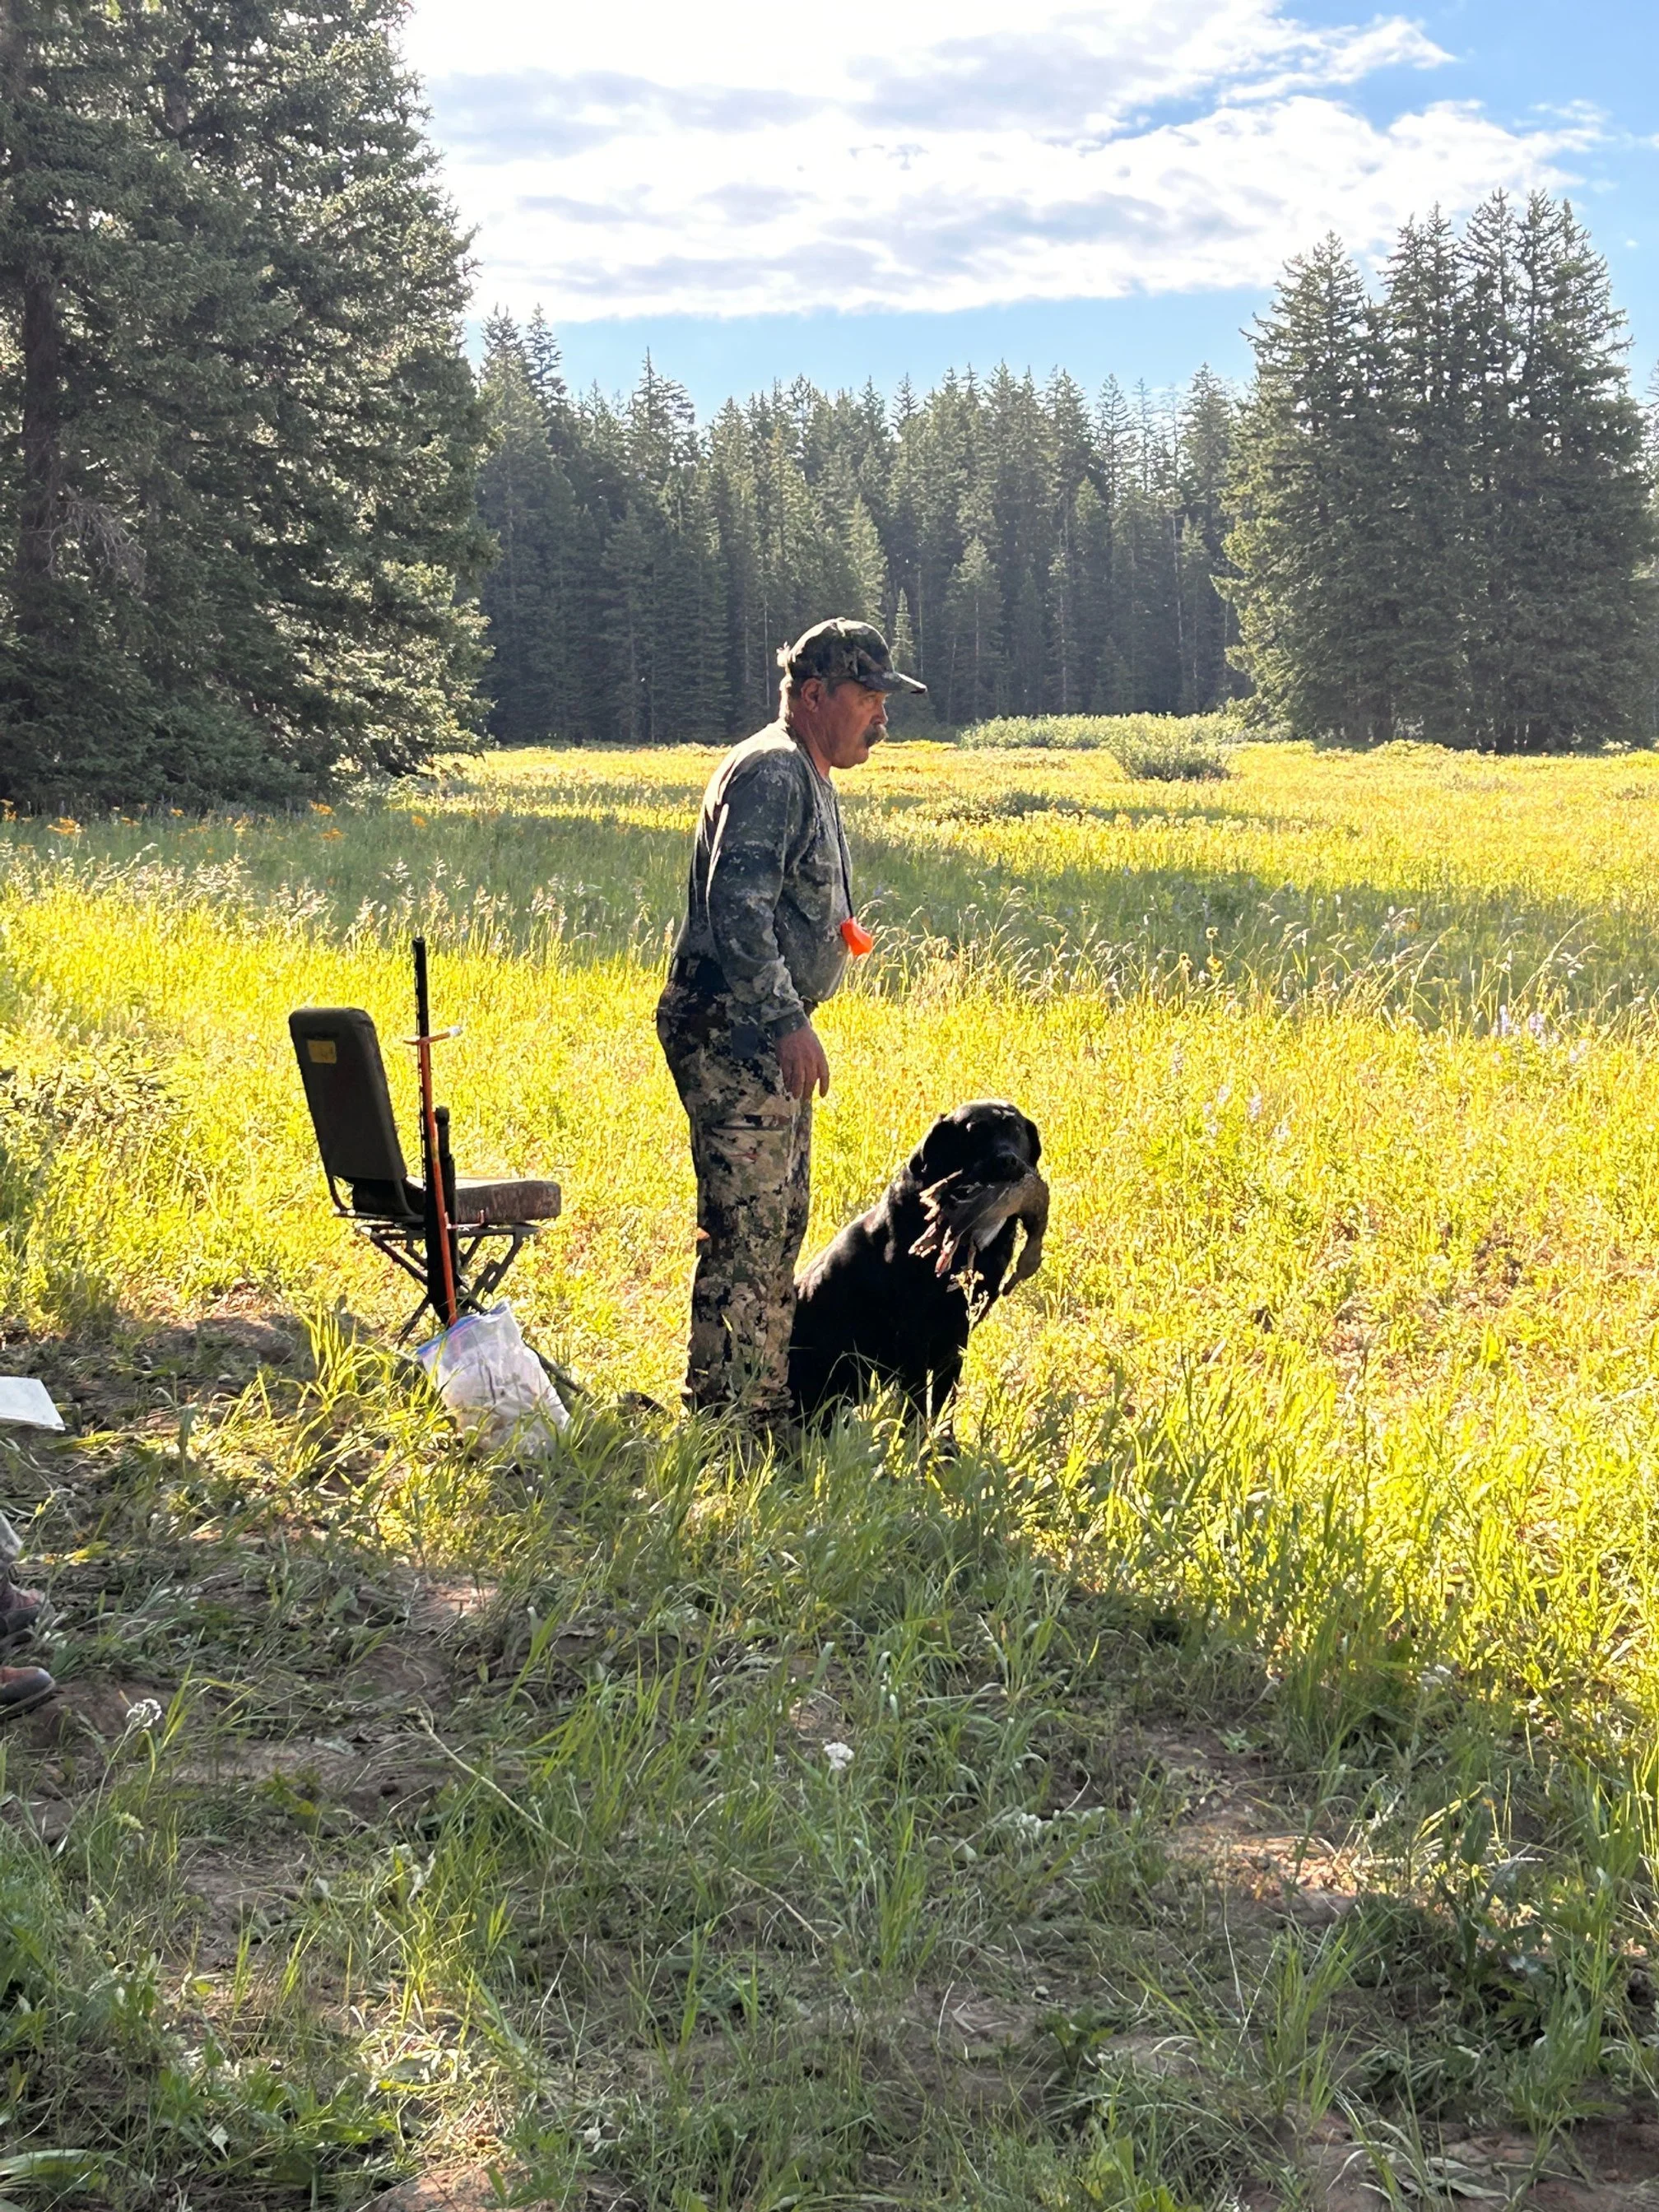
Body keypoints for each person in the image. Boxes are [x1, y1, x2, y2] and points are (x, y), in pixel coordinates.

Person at [658, 617, 925, 1432]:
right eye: (870, 697)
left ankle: (759, 1409)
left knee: (774, 1225)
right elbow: (735, 910)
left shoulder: (805, 772)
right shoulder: (774, 771)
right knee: (748, 1232)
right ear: (816, 696)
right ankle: (730, 1426)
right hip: (734, 1033)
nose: (883, 717)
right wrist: (783, 1020)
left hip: (759, 1033)